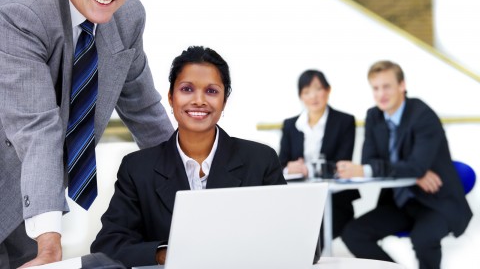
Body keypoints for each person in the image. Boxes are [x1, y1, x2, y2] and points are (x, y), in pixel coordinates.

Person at [0, 0, 174, 268]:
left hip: (29, 210)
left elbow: (146, 113)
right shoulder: (17, 12)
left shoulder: (128, 18)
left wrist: (194, 192)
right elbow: (37, 129)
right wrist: (50, 243)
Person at [90, 46, 287, 268]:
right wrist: (164, 253)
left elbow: (301, 241)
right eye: (187, 89)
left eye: (212, 91)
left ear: (224, 101)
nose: (199, 100)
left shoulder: (261, 161)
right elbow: (108, 245)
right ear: (171, 98)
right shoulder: (137, 168)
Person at [337, 60, 472, 269]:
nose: (381, 94)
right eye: (376, 88)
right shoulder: (374, 116)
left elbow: (411, 166)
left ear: (402, 86)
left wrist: (413, 170)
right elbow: (369, 161)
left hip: (436, 202)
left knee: (423, 239)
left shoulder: (422, 115)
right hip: (400, 202)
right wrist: (411, 171)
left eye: (387, 86)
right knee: (354, 234)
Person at [279, 70, 360, 257]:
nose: (313, 96)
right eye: (307, 91)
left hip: (334, 202)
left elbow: (342, 162)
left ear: (328, 90)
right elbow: (280, 163)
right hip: (300, 201)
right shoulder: (291, 125)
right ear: (300, 96)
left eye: (318, 89)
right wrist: (288, 168)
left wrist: (309, 168)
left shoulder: (344, 121)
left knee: (309, 242)